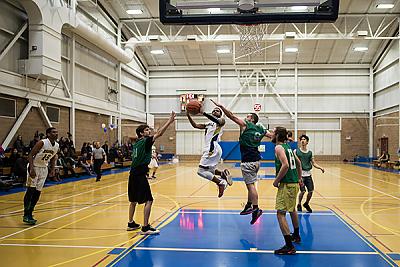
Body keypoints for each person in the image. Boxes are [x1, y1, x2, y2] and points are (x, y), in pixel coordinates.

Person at [211, 99, 270, 224]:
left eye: (248, 116)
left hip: (248, 161)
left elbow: (231, 116)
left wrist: (221, 106)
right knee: (251, 184)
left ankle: (256, 209)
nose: (245, 117)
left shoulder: (245, 125)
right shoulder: (261, 130)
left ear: (252, 119)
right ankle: (249, 204)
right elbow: (272, 135)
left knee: (251, 186)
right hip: (256, 161)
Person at [127, 111, 176, 234]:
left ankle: (131, 223)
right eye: (147, 130)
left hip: (132, 173)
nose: (149, 132)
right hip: (139, 174)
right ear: (141, 133)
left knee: (133, 200)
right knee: (149, 200)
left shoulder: (136, 143)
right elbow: (159, 133)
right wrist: (170, 121)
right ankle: (145, 227)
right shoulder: (145, 141)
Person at [186, 105, 232, 197]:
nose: (215, 111)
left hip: (212, 147)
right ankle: (222, 173)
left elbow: (218, 120)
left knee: (201, 171)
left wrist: (203, 112)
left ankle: (220, 182)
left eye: (217, 111)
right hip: (211, 148)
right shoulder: (208, 124)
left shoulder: (221, 121)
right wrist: (188, 115)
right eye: (214, 110)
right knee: (209, 170)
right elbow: (195, 125)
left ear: (220, 114)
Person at [271, 126, 303, 255]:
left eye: (273, 132)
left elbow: (285, 165)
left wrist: (276, 180)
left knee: (280, 213)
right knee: (292, 209)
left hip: (287, 184)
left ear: (278, 135)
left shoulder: (279, 147)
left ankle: (289, 246)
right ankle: (296, 235)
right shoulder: (288, 147)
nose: (271, 134)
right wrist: (299, 179)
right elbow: (299, 164)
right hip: (294, 183)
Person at [23, 127, 59, 225]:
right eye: (53, 132)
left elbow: (52, 158)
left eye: (56, 132)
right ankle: (26, 214)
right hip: (34, 166)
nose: (56, 133)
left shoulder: (56, 145)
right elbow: (30, 155)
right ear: (48, 134)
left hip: (44, 168)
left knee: (37, 192)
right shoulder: (42, 142)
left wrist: (52, 169)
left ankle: (30, 212)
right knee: (31, 190)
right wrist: (31, 168)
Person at [295, 134, 325, 213]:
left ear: (307, 142)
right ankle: (299, 204)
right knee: (302, 191)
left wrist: (320, 167)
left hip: (308, 175)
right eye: (301, 139)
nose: (303, 140)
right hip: (300, 175)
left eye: (304, 139)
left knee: (311, 191)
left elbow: (313, 163)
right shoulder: (296, 151)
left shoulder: (310, 153)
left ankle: (306, 203)